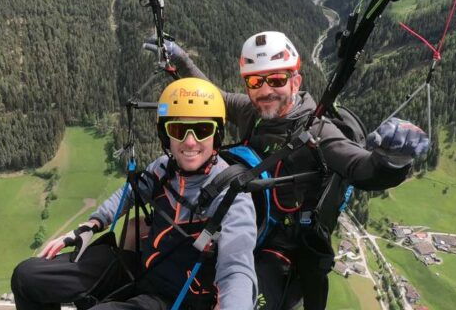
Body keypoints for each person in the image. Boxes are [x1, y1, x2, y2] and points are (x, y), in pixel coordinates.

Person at [145, 31, 429, 309]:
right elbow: (214, 96)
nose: (266, 90)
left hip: (282, 250)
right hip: (241, 223)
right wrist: (182, 61)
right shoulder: (252, 112)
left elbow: (361, 168)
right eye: (255, 81)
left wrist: (393, 160)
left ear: (296, 82)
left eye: (277, 79)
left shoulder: (318, 131)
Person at [10, 78, 257, 310]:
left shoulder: (232, 195)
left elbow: (236, 266)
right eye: (179, 129)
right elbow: (129, 193)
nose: (190, 142)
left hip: (173, 297)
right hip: (137, 268)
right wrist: (92, 224)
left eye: (202, 129)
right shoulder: (163, 168)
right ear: (166, 136)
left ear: (217, 136)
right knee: (27, 277)